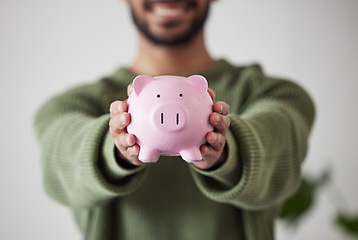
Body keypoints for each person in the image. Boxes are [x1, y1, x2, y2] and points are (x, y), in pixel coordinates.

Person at [34, 0, 315, 239]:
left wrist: (224, 148)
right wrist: (117, 145)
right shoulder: (70, 107)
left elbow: (282, 141)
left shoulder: (277, 95)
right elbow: (59, 154)